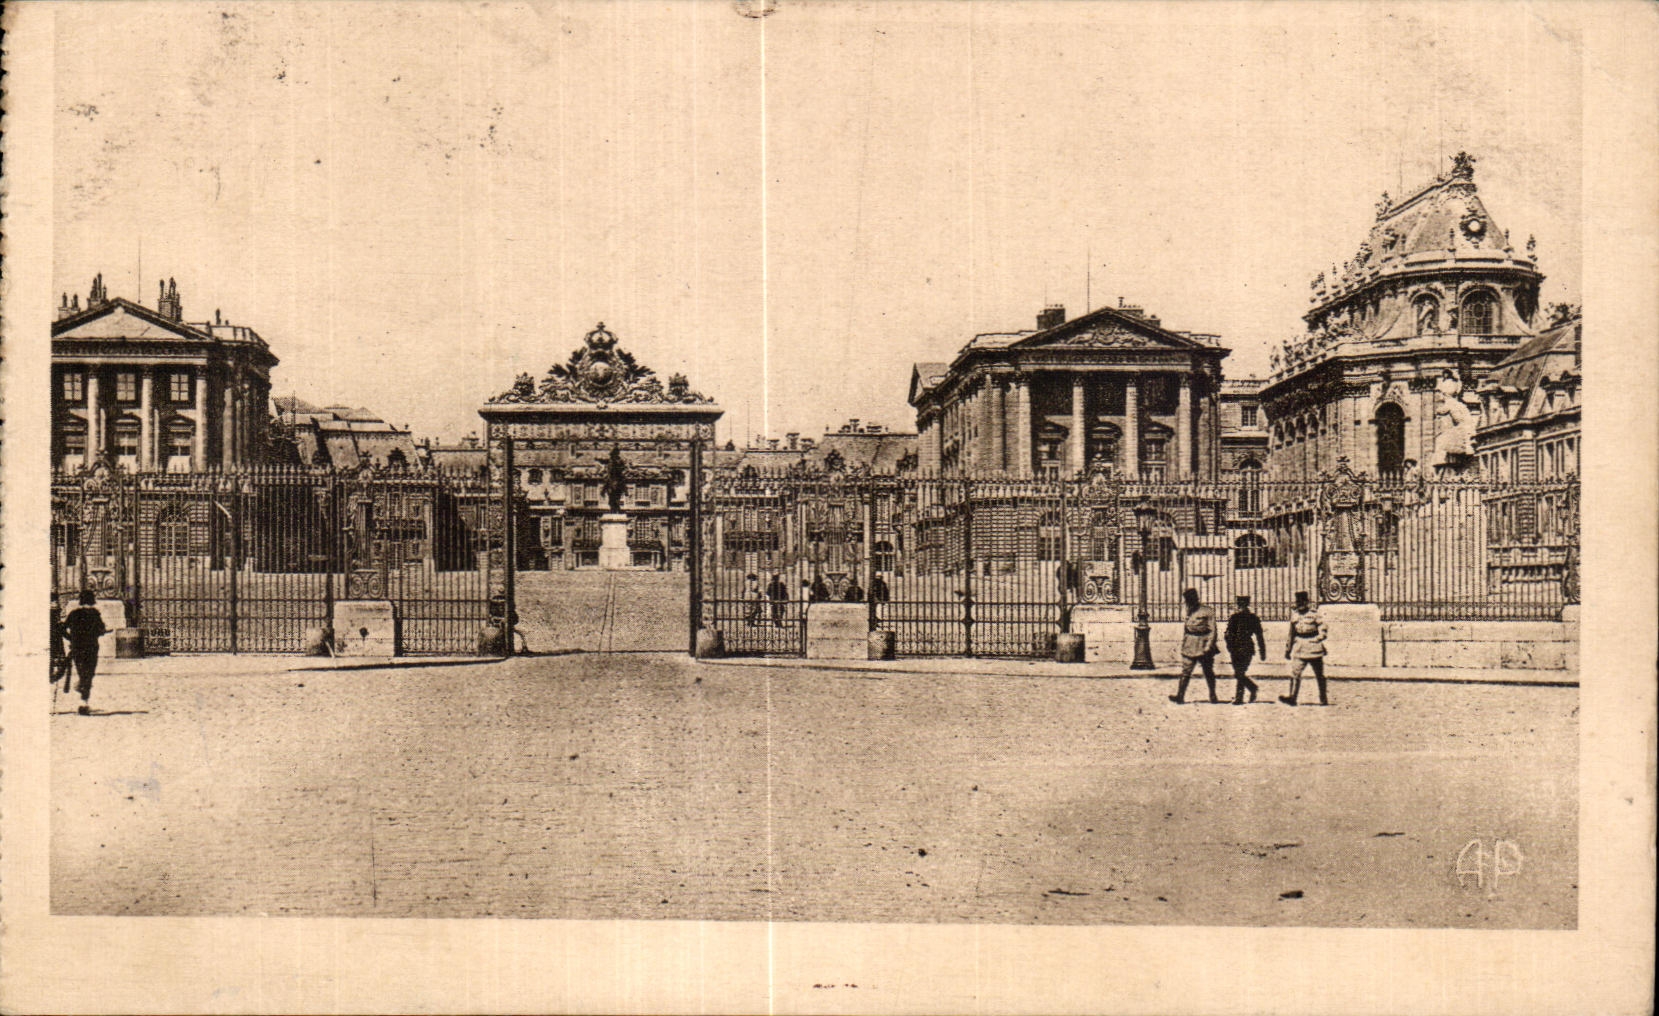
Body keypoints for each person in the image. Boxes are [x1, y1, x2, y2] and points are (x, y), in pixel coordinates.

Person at [60, 590, 108, 716]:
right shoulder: (95, 614)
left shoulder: (74, 614)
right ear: (92, 600)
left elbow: (62, 629)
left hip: (77, 648)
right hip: (91, 648)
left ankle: (83, 699)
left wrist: (71, 638)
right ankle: (84, 702)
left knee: (82, 672)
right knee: (89, 673)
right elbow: (101, 629)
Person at [1170, 588, 1219, 705]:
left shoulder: (1207, 611)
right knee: (1186, 671)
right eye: (1187, 600)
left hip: (1203, 644)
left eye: (1189, 600)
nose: (1187, 602)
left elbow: (1213, 631)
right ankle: (1180, 696)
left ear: (1195, 599)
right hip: (1190, 645)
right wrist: (1184, 644)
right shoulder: (1189, 611)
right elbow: (1186, 630)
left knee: (1208, 671)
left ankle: (1213, 695)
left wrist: (1209, 646)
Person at [1281, 591, 1330, 706]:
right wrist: (1288, 650)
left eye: (1302, 602)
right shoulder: (1295, 615)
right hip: (1299, 647)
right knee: (1295, 673)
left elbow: (1323, 627)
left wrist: (1319, 638)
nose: (1300, 604)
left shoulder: (1314, 614)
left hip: (1314, 647)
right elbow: (1291, 634)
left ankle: (1323, 697)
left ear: (1307, 602)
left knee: (1319, 674)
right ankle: (1292, 697)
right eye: (1298, 602)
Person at [1224, 594, 1268, 704]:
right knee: (1238, 673)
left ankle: (1239, 697)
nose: (1241, 607)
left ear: (1247, 605)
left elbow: (1259, 636)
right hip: (1235, 648)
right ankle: (1252, 688)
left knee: (1240, 672)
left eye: (1243, 605)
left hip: (1247, 648)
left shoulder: (1253, 618)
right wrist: (1229, 646)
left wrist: (1262, 651)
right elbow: (1228, 634)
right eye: (1240, 605)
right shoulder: (1234, 618)